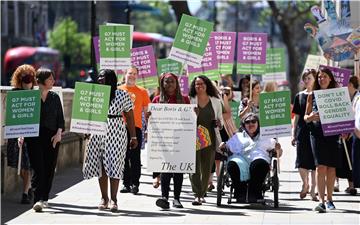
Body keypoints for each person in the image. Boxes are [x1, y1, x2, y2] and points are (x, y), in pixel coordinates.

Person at [83, 69, 137, 212]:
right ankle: (104, 198)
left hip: (117, 132)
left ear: (111, 79)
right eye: (99, 77)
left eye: (104, 77)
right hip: (98, 132)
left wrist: (133, 136)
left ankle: (114, 199)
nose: (100, 79)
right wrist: (86, 129)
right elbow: (86, 113)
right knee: (101, 166)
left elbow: (130, 116)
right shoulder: (94, 95)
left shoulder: (122, 94)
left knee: (115, 165)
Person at [148, 72, 190, 209]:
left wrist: (194, 115)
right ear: (162, 84)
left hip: (180, 138)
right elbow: (152, 121)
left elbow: (189, 119)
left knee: (178, 170)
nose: (169, 84)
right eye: (166, 81)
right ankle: (164, 197)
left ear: (177, 83)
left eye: (172, 81)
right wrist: (149, 116)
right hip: (164, 140)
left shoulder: (184, 99)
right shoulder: (157, 100)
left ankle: (176, 198)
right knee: (165, 170)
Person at [220, 113, 282, 202]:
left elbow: (278, 153)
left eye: (253, 121)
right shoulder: (238, 136)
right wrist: (223, 145)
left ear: (258, 123)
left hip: (259, 159)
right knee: (232, 164)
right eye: (247, 122)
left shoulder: (266, 137)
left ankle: (255, 193)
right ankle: (240, 193)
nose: (250, 124)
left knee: (259, 164)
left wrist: (278, 149)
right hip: (241, 159)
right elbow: (227, 148)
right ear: (244, 125)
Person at [27, 68, 65, 212]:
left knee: (49, 168)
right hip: (34, 137)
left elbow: (60, 119)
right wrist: (21, 135)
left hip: (52, 137)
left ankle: (45, 197)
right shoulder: (30, 96)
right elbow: (23, 118)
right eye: (50, 78)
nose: (53, 81)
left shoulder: (55, 97)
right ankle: (37, 199)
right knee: (38, 168)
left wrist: (58, 134)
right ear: (41, 80)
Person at [304, 68, 342, 212]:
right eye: (319, 77)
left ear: (330, 78)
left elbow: (344, 114)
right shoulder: (312, 95)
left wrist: (344, 130)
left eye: (324, 76)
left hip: (333, 134)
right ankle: (321, 201)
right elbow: (305, 117)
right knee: (320, 167)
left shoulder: (337, 94)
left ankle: (330, 199)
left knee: (331, 168)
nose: (321, 79)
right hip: (317, 134)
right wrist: (310, 117)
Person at [189, 75, 223, 205]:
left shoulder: (215, 100)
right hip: (193, 137)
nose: (199, 86)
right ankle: (196, 193)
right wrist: (193, 114)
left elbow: (220, 121)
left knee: (206, 167)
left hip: (210, 137)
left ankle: (202, 193)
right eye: (197, 84)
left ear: (207, 84)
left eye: (202, 83)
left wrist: (219, 123)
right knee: (193, 167)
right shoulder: (190, 99)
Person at [7, 64, 36, 204]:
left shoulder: (36, 94)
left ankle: (25, 193)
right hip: (16, 134)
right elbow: (11, 115)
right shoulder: (13, 93)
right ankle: (29, 187)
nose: (28, 80)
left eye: (30, 76)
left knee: (27, 164)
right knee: (20, 166)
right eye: (24, 77)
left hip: (31, 135)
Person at [119, 66, 151, 195]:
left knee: (135, 157)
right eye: (130, 73)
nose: (132, 75)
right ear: (125, 74)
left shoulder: (142, 91)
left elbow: (147, 111)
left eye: (134, 74)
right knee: (123, 157)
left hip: (136, 128)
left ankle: (135, 184)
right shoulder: (118, 90)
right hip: (120, 128)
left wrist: (148, 128)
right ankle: (125, 183)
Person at [291, 69, 318, 201]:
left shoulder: (320, 95)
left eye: (309, 78)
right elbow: (295, 117)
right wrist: (293, 133)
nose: (307, 81)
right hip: (302, 131)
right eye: (305, 78)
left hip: (316, 131)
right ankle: (305, 183)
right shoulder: (299, 96)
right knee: (301, 159)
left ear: (315, 79)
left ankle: (313, 188)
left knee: (315, 161)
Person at [336, 76, 360, 195]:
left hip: (355, 133)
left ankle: (353, 184)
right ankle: (350, 184)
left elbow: (355, 117)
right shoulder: (351, 97)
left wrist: (350, 131)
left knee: (353, 160)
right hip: (350, 133)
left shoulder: (357, 97)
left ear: (350, 84)